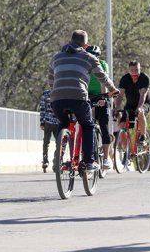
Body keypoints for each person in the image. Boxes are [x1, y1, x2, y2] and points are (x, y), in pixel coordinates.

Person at [49, 30, 118, 174]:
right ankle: (88, 161)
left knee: (63, 123)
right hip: (78, 98)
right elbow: (102, 77)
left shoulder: (56, 57)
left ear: (70, 41)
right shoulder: (88, 57)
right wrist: (113, 90)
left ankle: (59, 154)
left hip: (57, 100)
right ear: (85, 45)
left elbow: (51, 80)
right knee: (87, 125)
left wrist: (57, 92)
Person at [85, 45, 113, 170]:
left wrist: (103, 97)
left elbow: (103, 80)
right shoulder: (84, 65)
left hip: (101, 95)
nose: (92, 58)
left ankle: (106, 159)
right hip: (87, 95)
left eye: (94, 56)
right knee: (85, 125)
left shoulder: (102, 64)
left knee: (104, 127)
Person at [114, 61, 150, 145]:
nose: (134, 72)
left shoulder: (144, 78)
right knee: (122, 123)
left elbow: (143, 95)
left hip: (144, 103)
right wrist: (117, 107)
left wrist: (139, 107)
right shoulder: (125, 79)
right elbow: (120, 95)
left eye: (136, 70)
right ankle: (125, 151)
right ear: (129, 70)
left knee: (140, 112)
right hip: (130, 104)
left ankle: (143, 136)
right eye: (132, 70)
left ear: (140, 69)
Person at [38, 87, 60, 172]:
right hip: (49, 122)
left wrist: (42, 121)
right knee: (46, 142)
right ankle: (46, 160)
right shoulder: (47, 93)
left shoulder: (57, 92)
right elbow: (42, 108)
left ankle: (55, 160)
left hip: (57, 122)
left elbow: (42, 108)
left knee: (58, 143)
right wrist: (42, 122)